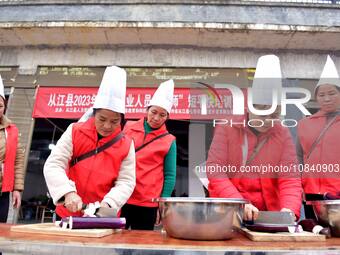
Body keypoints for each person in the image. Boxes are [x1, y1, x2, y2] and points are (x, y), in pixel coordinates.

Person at [207, 55, 302, 221]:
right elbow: (216, 170)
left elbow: (290, 178)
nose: (268, 121)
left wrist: (290, 209)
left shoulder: (282, 133)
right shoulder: (226, 127)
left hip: (267, 213)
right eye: (263, 114)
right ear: (249, 107)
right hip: (229, 209)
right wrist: (239, 203)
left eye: (274, 115)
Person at [44, 66, 136, 218]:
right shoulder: (75, 130)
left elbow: (126, 181)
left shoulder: (126, 144)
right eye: (102, 119)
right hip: (68, 211)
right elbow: (54, 164)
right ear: (94, 114)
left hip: (102, 215)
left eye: (114, 121)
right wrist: (67, 192)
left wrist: (108, 204)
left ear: (122, 119)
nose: (107, 126)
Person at [121, 79, 177, 230]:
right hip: (122, 196)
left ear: (167, 116)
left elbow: (170, 175)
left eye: (162, 115)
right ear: (147, 110)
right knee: (115, 240)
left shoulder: (169, 141)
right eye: (153, 112)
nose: (156, 118)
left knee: (142, 243)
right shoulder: (128, 127)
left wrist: (162, 203)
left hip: (147, 202)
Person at [297, 55, 340, 216]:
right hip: (311, 190)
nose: (327, 98)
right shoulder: (305, 123)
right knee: (316, 233)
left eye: (332, 93)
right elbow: (299, 156)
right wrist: (299, 185)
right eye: (321, 95)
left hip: (337, 191)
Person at [0, 75, 25, 223]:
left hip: (3, 192)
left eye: (0, 106)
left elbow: (18, 160)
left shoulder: (12, 130)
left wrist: (17, 189)